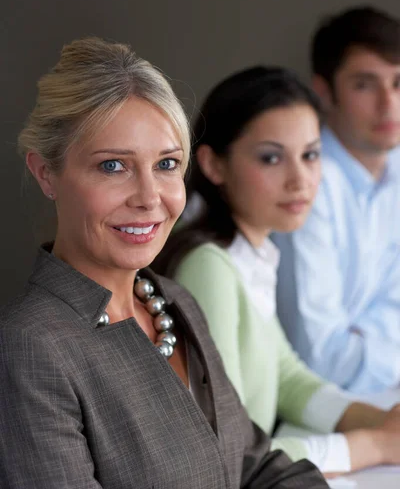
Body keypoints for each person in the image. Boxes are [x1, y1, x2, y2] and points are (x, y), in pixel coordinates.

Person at [0, 39, 328, 488]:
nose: (150, 198)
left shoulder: (174, 301)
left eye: (167, 164)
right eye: (113, 166)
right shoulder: (30, 347)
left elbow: (253, 464)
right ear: (46, 173)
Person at [154, 66, 400, 475]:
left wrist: (383, 422)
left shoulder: (252, 253)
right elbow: (228, 451)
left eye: (311, 154)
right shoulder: (209, 267)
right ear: (214, 165)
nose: (300, 180)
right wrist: (372, 444)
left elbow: (288, 378)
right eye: (271, 158)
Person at [272, 6, 400, 394]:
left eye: (398, 83)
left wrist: (367, 340)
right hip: (315, 414)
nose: (388, 103)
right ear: (324, 91)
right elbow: (322, 360)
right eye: (365, 84)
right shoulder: (303, 184)